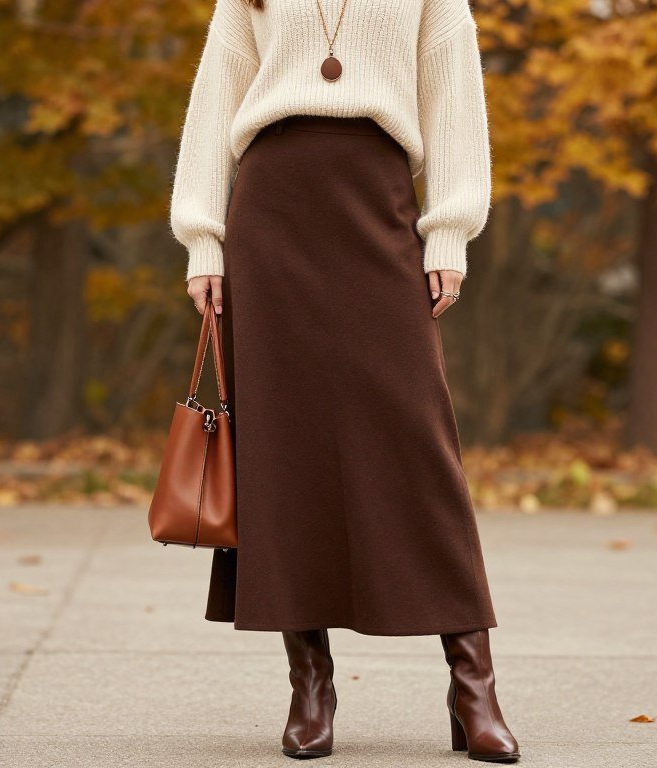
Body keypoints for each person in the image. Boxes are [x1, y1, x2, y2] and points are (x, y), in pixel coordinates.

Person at [168, 0, 520, 761]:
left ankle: (473, 683)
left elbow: (453, 91)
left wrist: (450, 227)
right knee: (285, 450)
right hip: (271, 211)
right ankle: (311, 683)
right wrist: (203, 238)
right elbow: (216, 98)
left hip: (377, 202)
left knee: (417, 445)